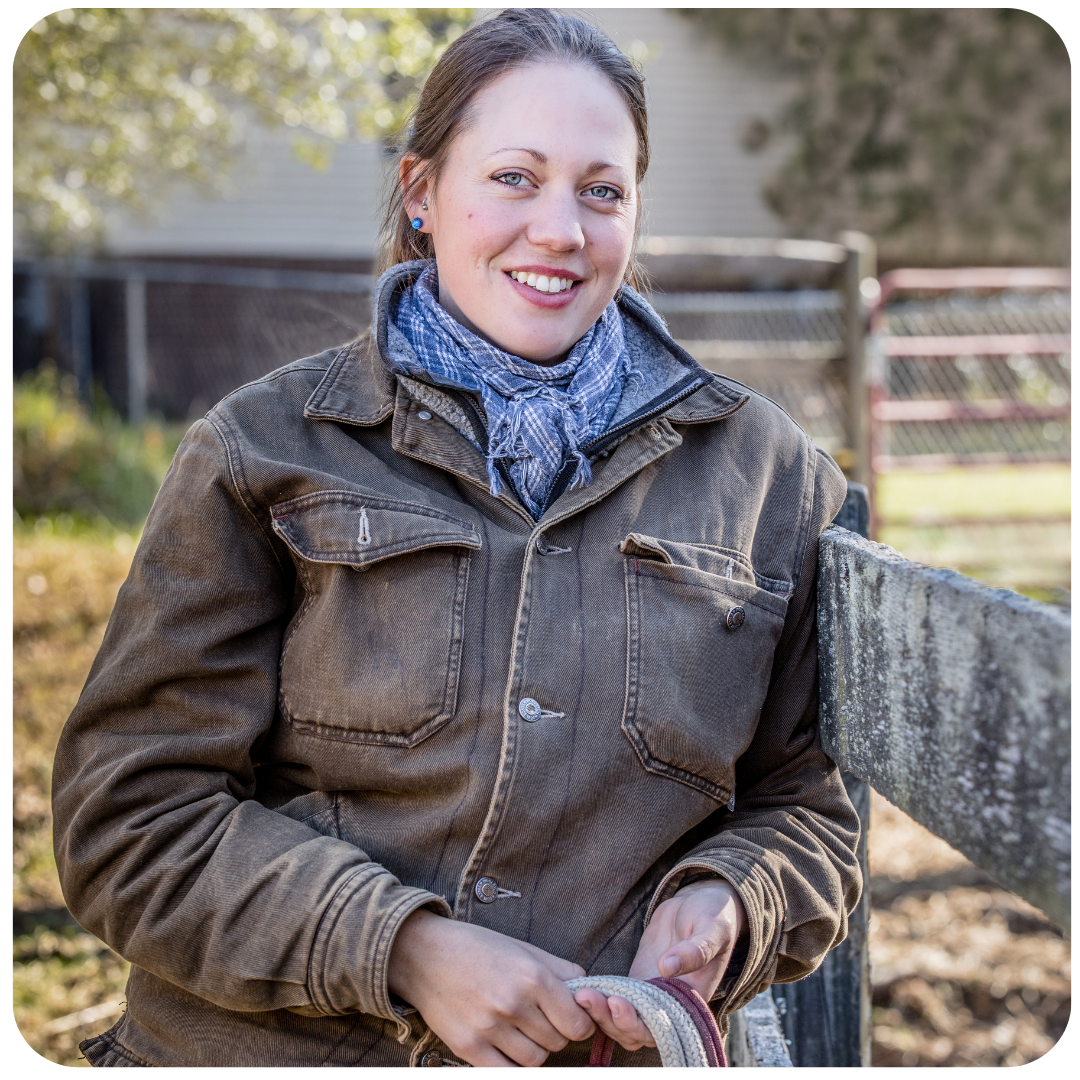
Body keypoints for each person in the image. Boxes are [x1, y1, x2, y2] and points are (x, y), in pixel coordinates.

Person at [53, 8, 861, 1069]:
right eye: (514, 178)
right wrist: (402, 949)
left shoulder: (770, 479)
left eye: (602, 190)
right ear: (422, 193)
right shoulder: (263, 449)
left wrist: (730, 901)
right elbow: (129, 819)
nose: (561, 230)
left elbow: (806, 810)